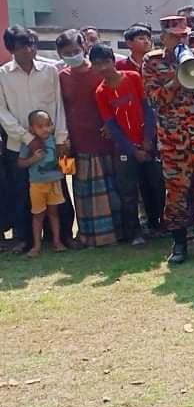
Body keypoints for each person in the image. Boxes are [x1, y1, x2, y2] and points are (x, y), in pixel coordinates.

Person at [142, 15, 194, 264]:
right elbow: (154, 99)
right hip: (174, 141)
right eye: (176, 36)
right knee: (177, 193)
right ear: (164, 37)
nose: (182, 40)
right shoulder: (152, 61)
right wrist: (177, 81)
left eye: (184, 36)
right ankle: (179, 245)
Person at [1, 25, 75, 254]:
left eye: (32, 44)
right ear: (12, 49)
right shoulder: (3, 74)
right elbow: (2, 112)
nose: (29, 49)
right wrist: (28, 138)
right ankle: (25, 239)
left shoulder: (50, 71)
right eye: (23, 46)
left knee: (62, 186)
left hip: (56, 143)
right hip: (19, 145)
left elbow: (59, 106)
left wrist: (62, 138)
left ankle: (64, 236)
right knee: (22, 192)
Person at [91, 44, 162, 246]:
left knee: (155, 184)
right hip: (125, 148)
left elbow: (148, 109)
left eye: (105, 62)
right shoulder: (101, 92)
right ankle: (134, 233)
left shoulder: (133, 77)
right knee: (128, 191)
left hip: (148, 142)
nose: (103, 67)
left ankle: (156, 225)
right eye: (97, 64)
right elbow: (111, 125)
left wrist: (148, 139)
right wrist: (132, 149)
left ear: (113, 61)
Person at [57, 29, 123, 248]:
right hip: (73, 141)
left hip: (105, 137)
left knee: (111, 185)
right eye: (68, 52)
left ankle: (115, 233)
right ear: (60, 54)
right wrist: (63, 139)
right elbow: (60, 108)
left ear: (84, 47)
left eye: (76, 50)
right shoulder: (61, 77)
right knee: (80, 188)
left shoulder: (99, 72)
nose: (73, 55)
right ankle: (87, 235)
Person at [17, 110, 68, 257]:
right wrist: (33, 159)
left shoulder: (54, 140)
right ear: (32, 129)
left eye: (48, 125)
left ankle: (57, 242)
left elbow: (63, 158)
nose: (45, 129)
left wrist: (66, 148)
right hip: (37, 185)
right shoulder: (29, 144)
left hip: (55, 183)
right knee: (38, 215)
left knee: (54, 213)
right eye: (40, 126)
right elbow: (20, 163)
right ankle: (37, 246)